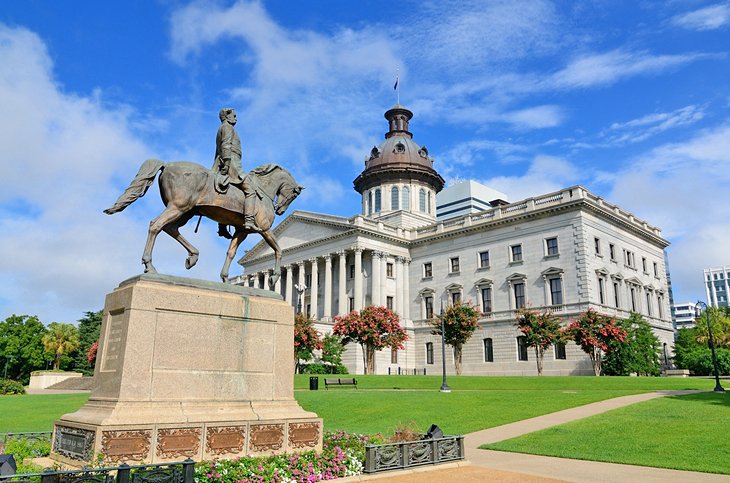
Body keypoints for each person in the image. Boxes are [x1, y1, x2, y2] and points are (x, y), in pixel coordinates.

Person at [212, 108, 256, 236]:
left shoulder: (223, 128)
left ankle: (222, 227)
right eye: (234, 116)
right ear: (226, 117)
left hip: (226, 162)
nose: (236, 118)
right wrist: (227, 163)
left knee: (226, 193)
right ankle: (249, 221)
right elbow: (226, 145)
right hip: (231, 163)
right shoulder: (227, 128)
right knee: (250, 190)